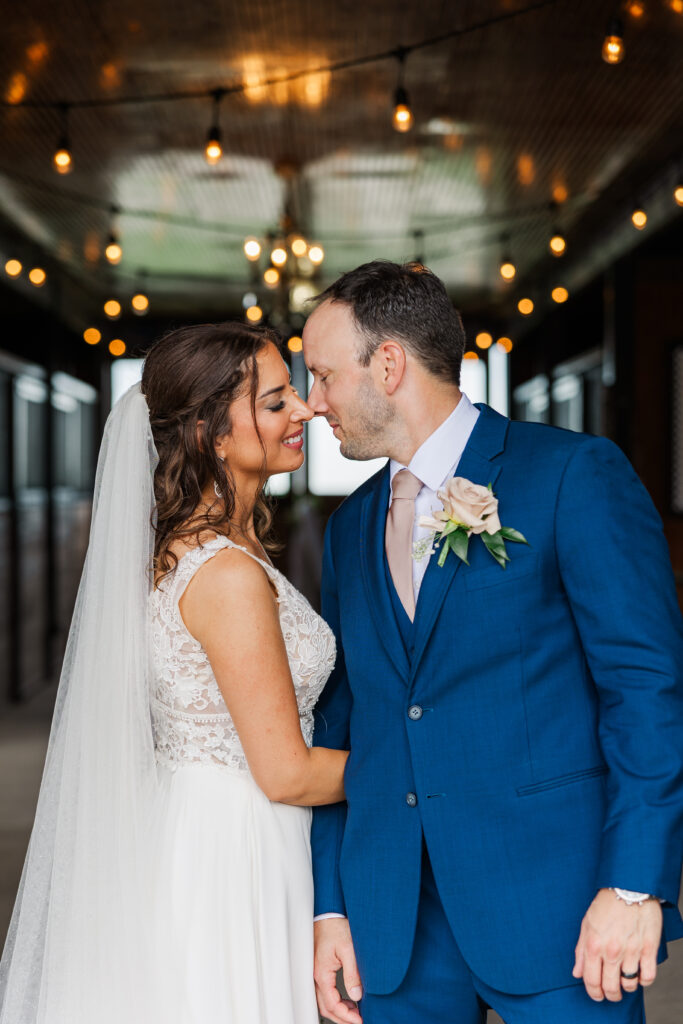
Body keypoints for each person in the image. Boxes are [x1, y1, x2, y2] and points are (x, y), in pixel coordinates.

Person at [304, 260, 683, 1024]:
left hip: (561, 910)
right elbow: (346, 723)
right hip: (394, 923)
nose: (313, 405)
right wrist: (330, 908)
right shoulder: (348, 530)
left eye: (320, 375)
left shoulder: (571, 475)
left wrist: (634, 885)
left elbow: (645, 690)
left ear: (387, 364)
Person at [0, 322, 346, 1024]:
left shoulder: (195, 549)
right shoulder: (224, 576)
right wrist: (430, 765)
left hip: (205, 827)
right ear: (215, 434)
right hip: (237, 847)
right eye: (277, 401)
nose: (304, 410)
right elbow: (285, 772)